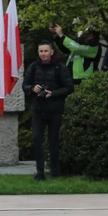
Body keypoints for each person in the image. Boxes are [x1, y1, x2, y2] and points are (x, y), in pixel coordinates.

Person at [22, 41, 73, 180]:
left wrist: (54, 93)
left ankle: (55, 173)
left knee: (53, 141)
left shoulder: (60, 67)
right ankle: (39, 173)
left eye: (45, 51)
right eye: (40, 51)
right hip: (38, 109)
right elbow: (25, 85)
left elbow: (69, 87)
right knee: (37, 139)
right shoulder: (33, 67)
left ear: (51, 52)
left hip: (55, 109)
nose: (43, 54)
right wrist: (33, 88)